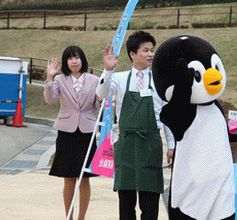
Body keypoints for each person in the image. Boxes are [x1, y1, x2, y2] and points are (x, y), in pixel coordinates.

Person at [96, 30, 175, 220]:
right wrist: (108, 70)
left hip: (150, 145)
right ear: (132, 54)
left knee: (150, 205)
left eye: (152, 50)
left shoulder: (159, 79)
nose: (151, 54)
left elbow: (167, 116)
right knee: (126, 203)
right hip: (126, 146)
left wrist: (172, 145)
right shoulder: (120, 78)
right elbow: (102, 92)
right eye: (145, 50)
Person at [44, 45, 102, 220]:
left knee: (84, 178)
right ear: (65, 62)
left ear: (82, 59)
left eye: (77, 57)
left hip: (87, 132)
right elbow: (50, 99)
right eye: (70, 58)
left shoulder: (95, 80)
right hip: (66, 132)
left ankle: (81, 218)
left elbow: (99, 107)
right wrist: (49, 78)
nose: (74, 61)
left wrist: (101, 99)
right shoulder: (60, 80)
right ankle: (68, 217)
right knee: (68, 178)